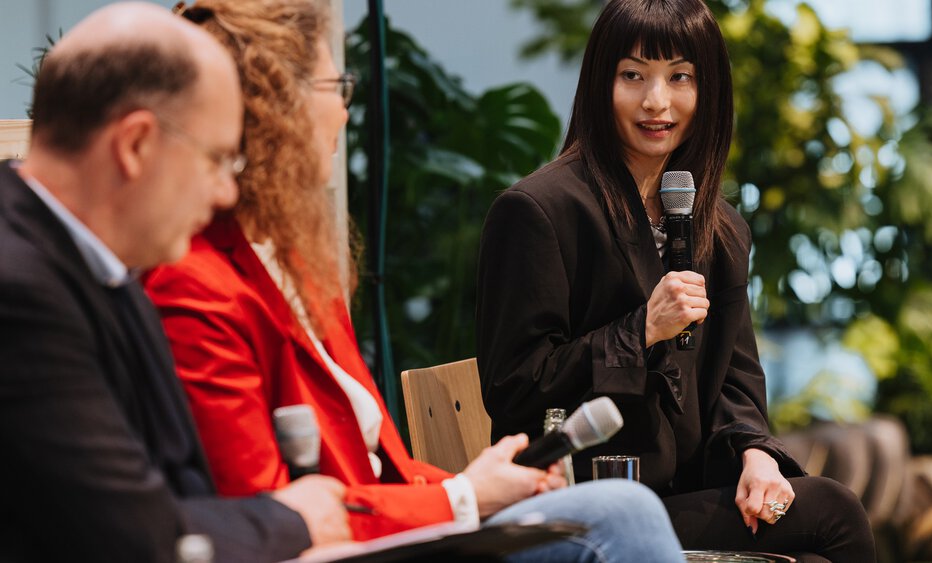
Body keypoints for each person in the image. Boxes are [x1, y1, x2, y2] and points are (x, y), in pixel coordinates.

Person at [144, 0, 683, 561]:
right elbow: (266, 517)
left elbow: (378, 469)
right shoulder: (196, 284)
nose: (345, 115)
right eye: (338, 88)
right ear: (278, 108)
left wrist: (479, 487)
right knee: (624, 512)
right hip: (349, 549)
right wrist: (462, 496)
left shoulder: (292, 263)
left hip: (401, 526)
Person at [475, 0, 878, 561]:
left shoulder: (720, 226)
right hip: (584, 503)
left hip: (679, 493)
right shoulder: (538, 211)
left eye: (680, 77)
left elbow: (735, 381)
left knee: (810, 538)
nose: (656, 101)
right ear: (600, 84)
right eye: (633, 75)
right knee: (833, 513)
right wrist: (639, 330)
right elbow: (515, 389)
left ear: (707, 88)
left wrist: (756, 454)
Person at [0, 3, 356, 562]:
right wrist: (294, 518)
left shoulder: (106, 269)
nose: (226, 194)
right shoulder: (16, 289)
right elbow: (137, 536)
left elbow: (181, 495)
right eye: (217, 160)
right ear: (136, 145)